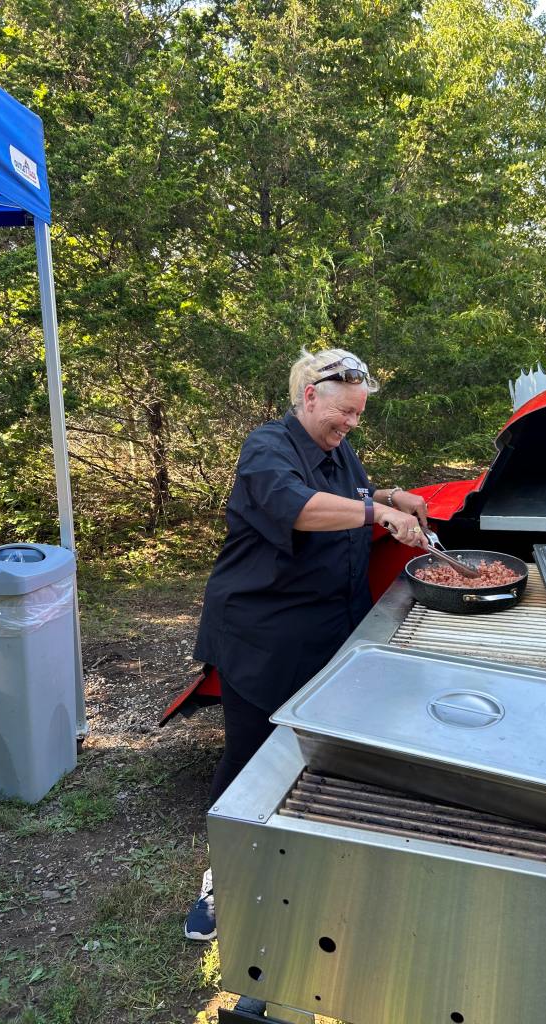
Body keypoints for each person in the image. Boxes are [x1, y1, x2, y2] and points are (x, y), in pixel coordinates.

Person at [185, 347, 428, 960]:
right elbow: (300, 507)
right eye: (342, 412)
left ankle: (310, 862)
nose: (349, 424)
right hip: (261, 633)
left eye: (357, 415)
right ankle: (225, 881)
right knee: (250, 757)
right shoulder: (266, 447)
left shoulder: (335, 447)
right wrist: (378, 514)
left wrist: (393, 495)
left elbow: (354, 489)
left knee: (316, 750)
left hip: (327, 628)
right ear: (309, 396)